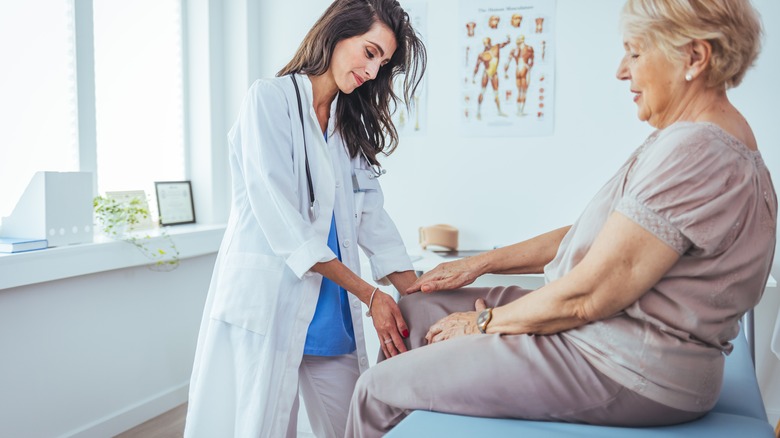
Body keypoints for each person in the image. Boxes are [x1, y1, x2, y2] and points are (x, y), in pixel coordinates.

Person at [346, 0, 775, 435]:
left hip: (625, 363)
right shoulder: (696, 139)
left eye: (636, 52)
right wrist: (479, 263)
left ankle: (409, 399)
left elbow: (587, 296)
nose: (622, 71)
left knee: (376, 390)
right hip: (605, 331)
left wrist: (481, 324)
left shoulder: (698, 152)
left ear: (695, 58)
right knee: (419, 308)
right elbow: (609, 238)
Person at [183, 1, 426, 437]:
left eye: (383, 63)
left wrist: (420, 295)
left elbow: (372, 215)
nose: (373, 72)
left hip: (330, 312)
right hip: (268, 306)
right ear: (337, 32)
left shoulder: (346, 124)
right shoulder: (268, 101)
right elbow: (285, 224)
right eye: (370, 53)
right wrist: (373, 296)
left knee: (355, 428)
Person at [473, 36, 511, 119]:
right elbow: (477, 66)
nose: (486, 45)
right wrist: (474, 77)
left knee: (496, 93)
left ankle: (499, 111)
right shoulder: (482, 55)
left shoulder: (496, 47)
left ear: (490, 42)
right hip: (486, 73)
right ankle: (478, 112)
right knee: (482, 91)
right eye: (485, 44)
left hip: (494, 73)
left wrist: (508, 41)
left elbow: (503, 45)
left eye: (487, 43)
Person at [504, 34, 535, 115]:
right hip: (524, 68)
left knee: (519, 91)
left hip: (518, 69)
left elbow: (507, 63)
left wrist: (505, 73)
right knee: (524, 91)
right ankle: (521, 111)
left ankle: (519, 111)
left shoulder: (514, 50)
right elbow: (531, 62)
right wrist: (529, 68)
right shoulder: (529, 48)